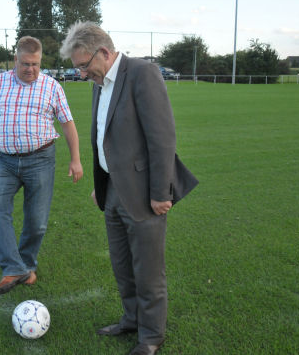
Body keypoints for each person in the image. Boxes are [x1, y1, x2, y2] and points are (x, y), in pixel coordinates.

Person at [60, 22, 198, 355]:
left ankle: (151, 336)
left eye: (83, 65)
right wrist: (101, 185)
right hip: (112, 191)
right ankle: (132, 319)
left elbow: (161, 138)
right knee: (122, 265)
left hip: (144, 192)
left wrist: (161, 191)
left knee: (148, 269)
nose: (81, 74)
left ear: (104, 52)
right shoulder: (98, 82)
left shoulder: (143, 73)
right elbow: (102, 138)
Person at [0, 36, 83, 295]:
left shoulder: (52, 86)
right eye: (25, 63)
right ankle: (14, 268)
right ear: (15, 59)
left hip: (41, 160)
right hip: (6, 161)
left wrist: (75, 158)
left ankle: (26, 263)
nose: (30, 69)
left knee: (37, 222)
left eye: (35, 64)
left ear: (40, 60)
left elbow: (67, 123)